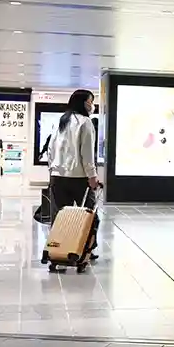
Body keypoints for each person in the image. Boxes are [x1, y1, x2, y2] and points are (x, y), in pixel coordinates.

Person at [47, 89, 101, 255]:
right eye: (90, 102)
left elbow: (50, 149)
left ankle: (58, 251)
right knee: (89, 216)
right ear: (83, 103)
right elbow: (87, 153)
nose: (92, 105)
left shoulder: (61, 121)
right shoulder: (85, 122)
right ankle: (86, 250)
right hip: (79, 177)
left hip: (58, 177)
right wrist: (92, 176)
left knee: (60, 217)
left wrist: (53, 170)